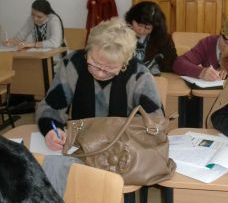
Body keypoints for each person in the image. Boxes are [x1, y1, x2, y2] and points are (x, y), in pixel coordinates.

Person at [36, 17, 163, 151]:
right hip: (81, 145)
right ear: (87, 51)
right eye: (94, 64)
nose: (100, 74)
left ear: (124, 63)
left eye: (109, 69)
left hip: (123, 148)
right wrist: (50, 130)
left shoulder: (139, 75)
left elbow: (155, 120)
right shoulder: (73, 64)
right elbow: (51, 107)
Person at [172, 13, 228, 81]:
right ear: (220, 34)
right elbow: (178, 63)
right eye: (226, 43)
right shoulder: (207, 44)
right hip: (209, 96)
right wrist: (201, 72)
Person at [124, 1, 177, 74]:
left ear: (155, 28)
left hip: (154, 79)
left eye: (147, 28)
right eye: (139, 25)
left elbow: (170, 65)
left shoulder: (163, 39)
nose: (141, 31)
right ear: (131, 19)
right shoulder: (120, 35)